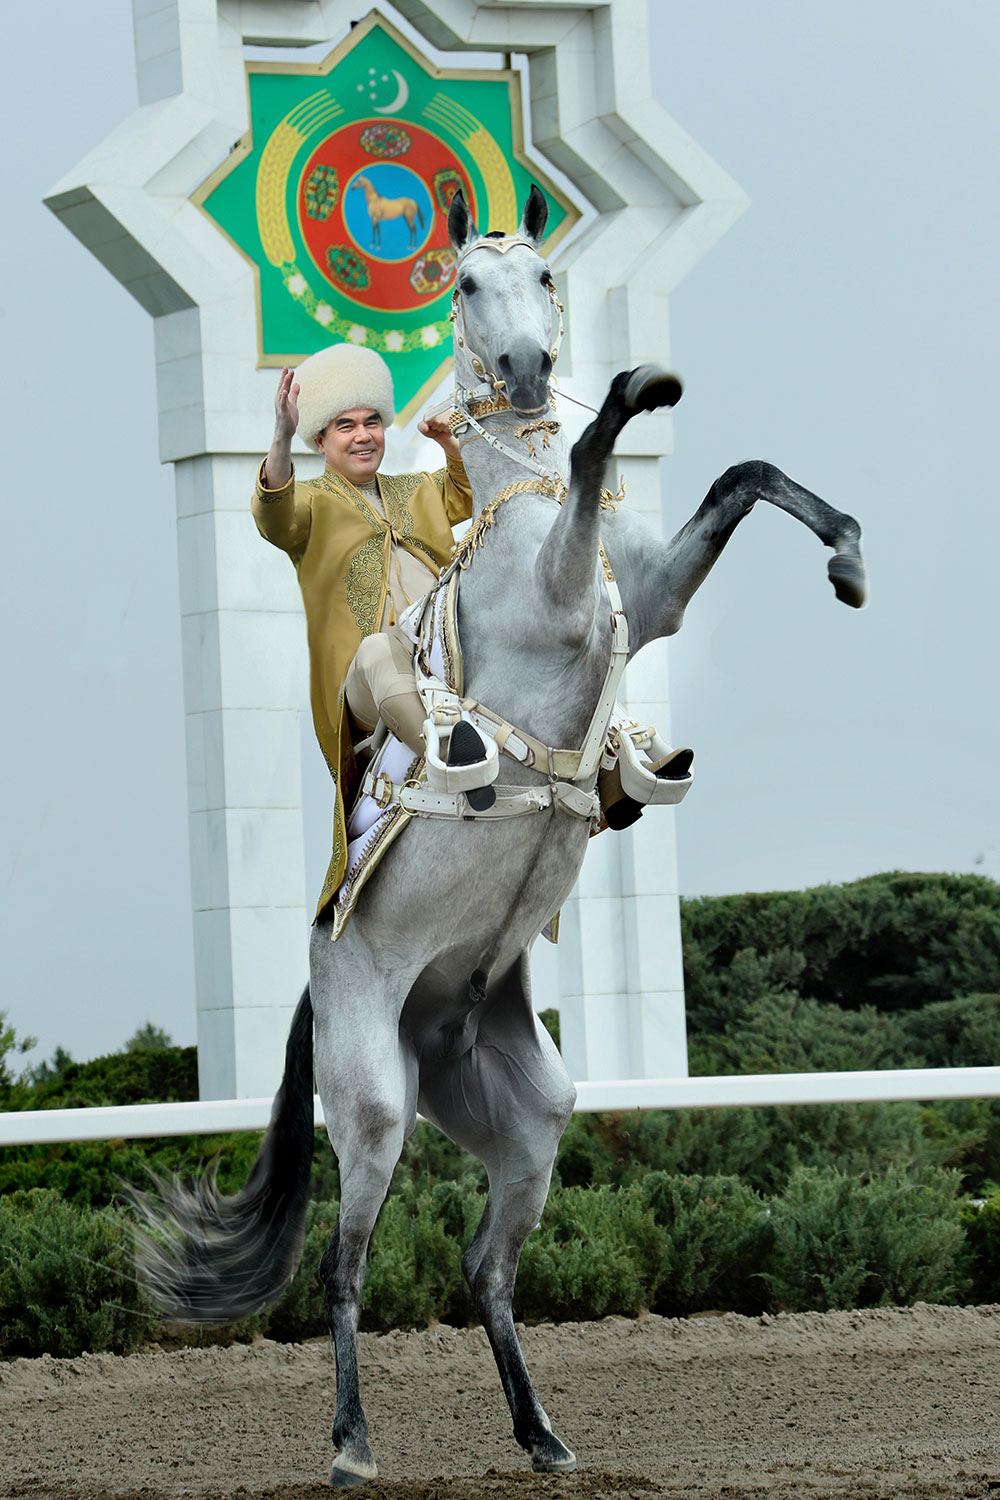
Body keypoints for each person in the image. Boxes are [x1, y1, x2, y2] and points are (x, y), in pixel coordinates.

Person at [252, 343, 485, 915]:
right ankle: (450, 755)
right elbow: (272, 511)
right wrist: (280, 436)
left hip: (445, 661)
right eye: (345, 426)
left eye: (372, 422)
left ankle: (616, 774)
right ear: (320, 442)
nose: (363, 435)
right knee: (380, 650)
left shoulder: (415, 490)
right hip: (363, 694)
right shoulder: (306, 504)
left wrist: (452, 445)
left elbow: (466, 493)